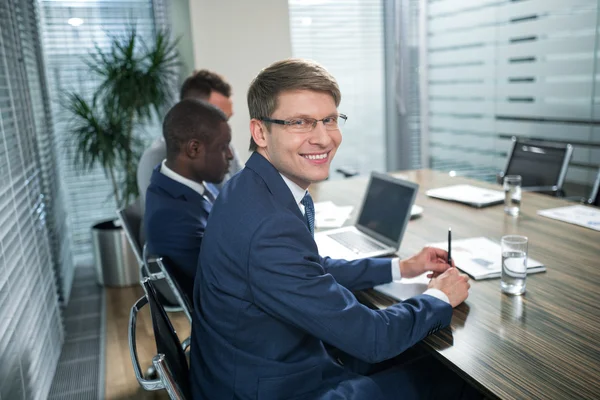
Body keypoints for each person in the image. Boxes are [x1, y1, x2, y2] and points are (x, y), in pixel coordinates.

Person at [190, 58, 476, 399]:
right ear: (260, 132)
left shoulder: (248, 187)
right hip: (276, 387)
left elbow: (311, 269)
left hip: (255, 366)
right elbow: (373, 338)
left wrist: (402, 267)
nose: (324, 138)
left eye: (329, 119)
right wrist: (441, 296)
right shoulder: (268, 226)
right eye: (300, 122)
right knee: (453, 378)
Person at [144, 99, 232, 301]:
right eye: (223, 146)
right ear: (194, 149)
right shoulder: (172, 217)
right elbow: (224, 281)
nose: (229, 155)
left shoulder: (181, 185)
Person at [137, 69, 242, 209]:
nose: (224, 125)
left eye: (227, 118)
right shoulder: (157, 157)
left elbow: (246, 188)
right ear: (191, 110)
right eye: (217, 116)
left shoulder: (223, 148)